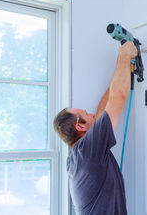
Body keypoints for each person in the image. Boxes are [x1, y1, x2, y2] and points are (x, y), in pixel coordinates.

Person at [53, 41, 138, 215]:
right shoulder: (88, 151)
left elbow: (102, 110)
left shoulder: (79, 154)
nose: (91, 114)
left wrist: (120, 70)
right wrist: (124, 55)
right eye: (85, 114)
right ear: (80, 126)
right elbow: (119, 96)